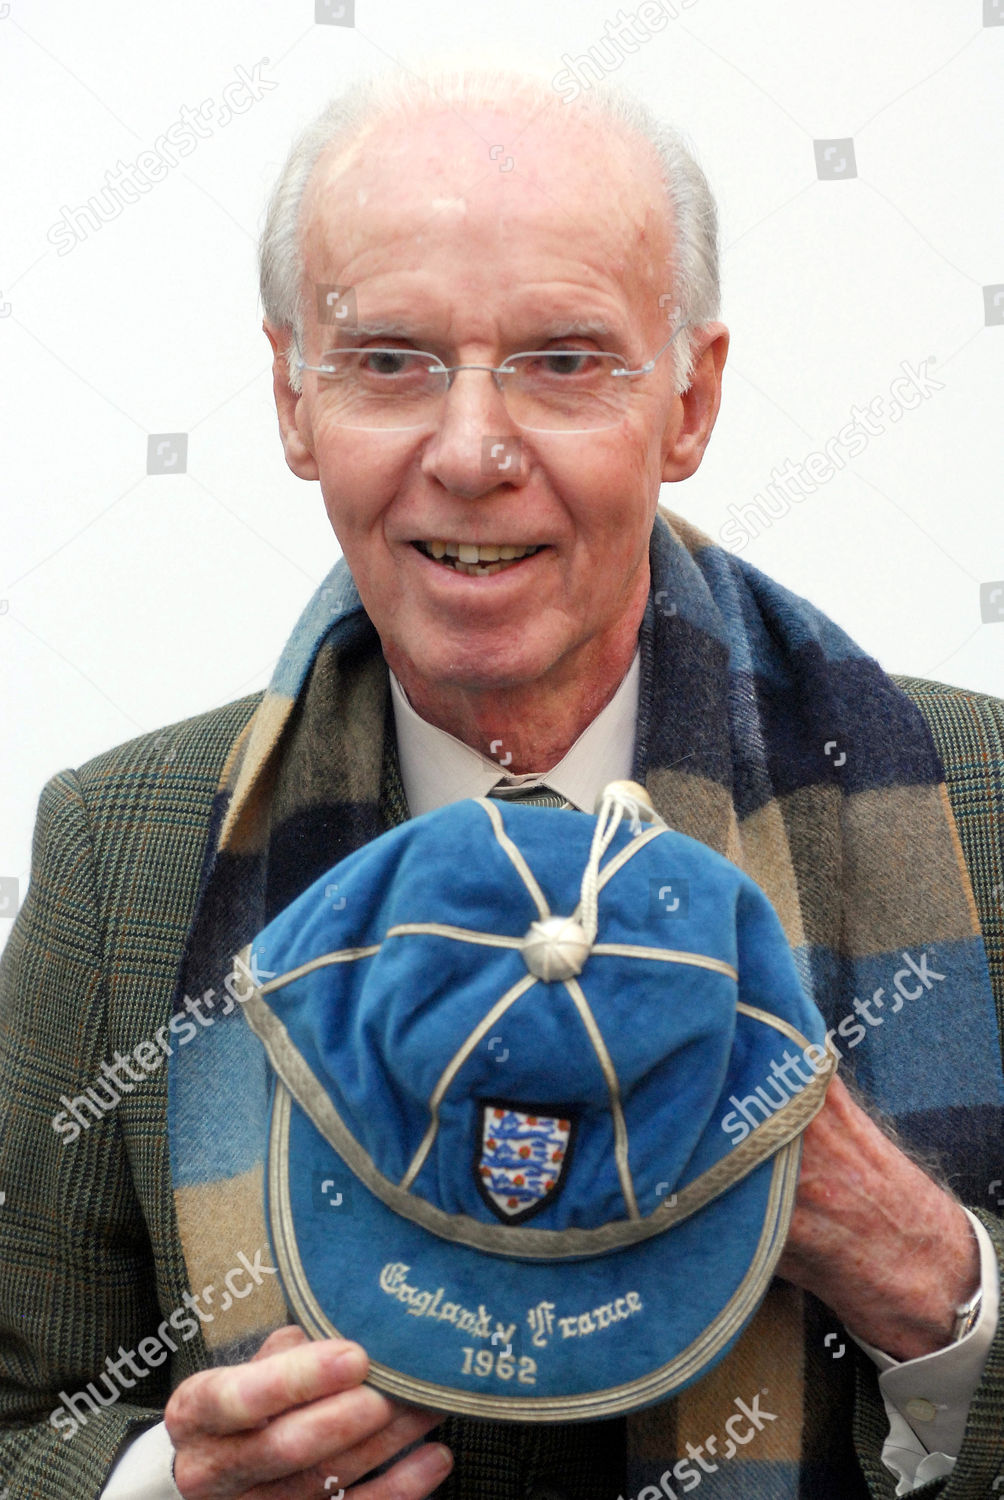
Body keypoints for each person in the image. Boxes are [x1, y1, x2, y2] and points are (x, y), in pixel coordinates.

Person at [1, 64, 1002, 1500]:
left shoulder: (981, 803)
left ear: (689, 400)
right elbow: (20, 1422)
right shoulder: (119, 851)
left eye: (566, 359)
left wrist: (925, 1275)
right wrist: (167, 1482)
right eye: (391, 359)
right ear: (295, 397)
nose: (471, 453)